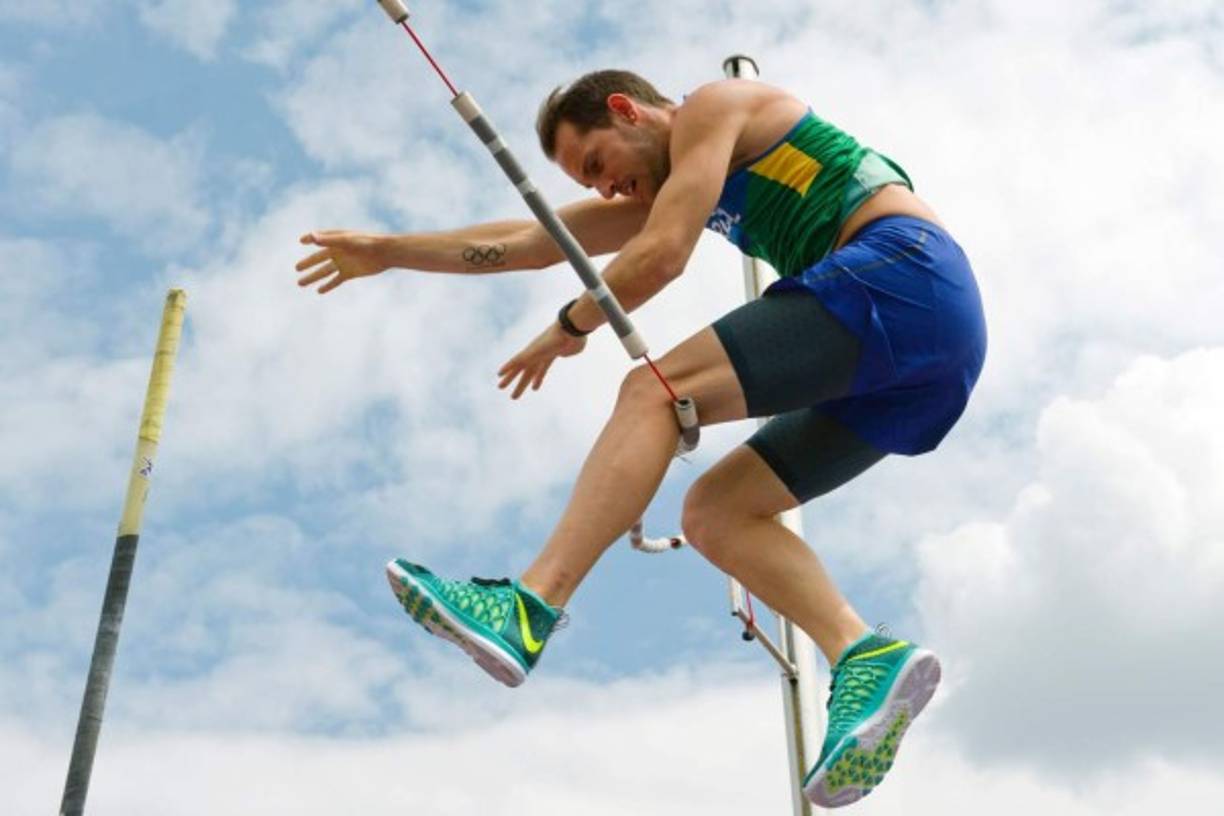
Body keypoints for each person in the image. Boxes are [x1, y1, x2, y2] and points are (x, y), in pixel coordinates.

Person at [294, 70, 986, 808]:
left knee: (652, 391)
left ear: (626, 110)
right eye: (589, 183)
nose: (605, 190)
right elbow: (531, 240)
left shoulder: (714, 108)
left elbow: (663, 253)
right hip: (928, 358)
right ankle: (864, 655)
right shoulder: (680, 178)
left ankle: (530, 606)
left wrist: (568, 328)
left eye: (597, 163)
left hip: (902, 275)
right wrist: (389, 250)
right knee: (716, 513)